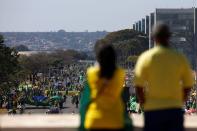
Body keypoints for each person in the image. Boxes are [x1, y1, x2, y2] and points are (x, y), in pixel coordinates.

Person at [134, 23, 194, 131]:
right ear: (169, 37)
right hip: (174, 110)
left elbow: (138, 86)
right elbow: (188, 84)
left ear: (153, 38)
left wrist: (144, 103)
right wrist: (181, 101)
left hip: (152, 110)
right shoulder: (179, 58)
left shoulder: (145, 58)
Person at [80, 42, 132, 131]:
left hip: (94, 120)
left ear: (98, 57)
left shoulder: (91, 73)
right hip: (116, 119)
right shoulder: (120, 74)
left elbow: (85, 101)